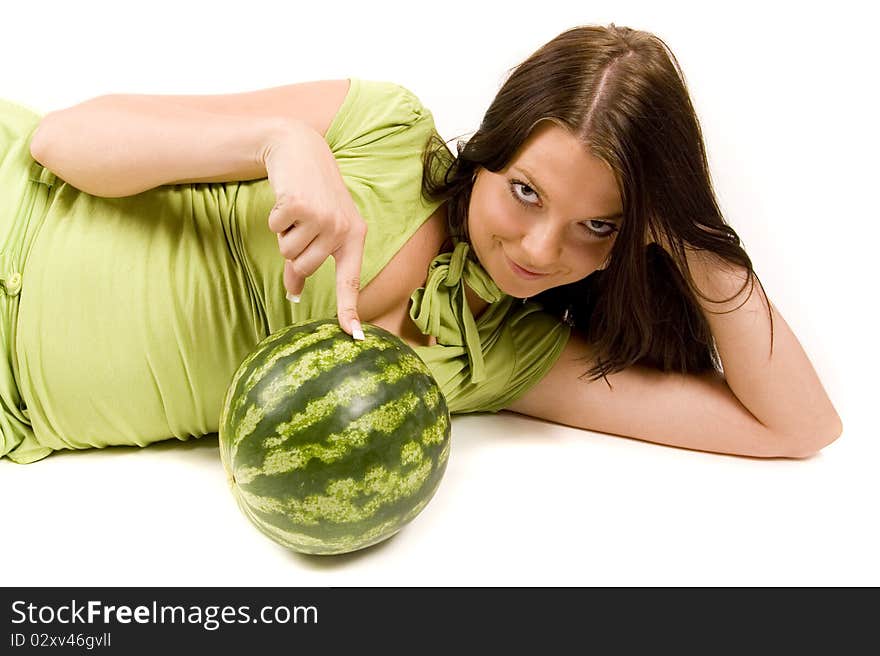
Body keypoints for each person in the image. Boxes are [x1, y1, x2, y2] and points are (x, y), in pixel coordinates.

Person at [0, 24, 841, 465]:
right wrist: (279, 141)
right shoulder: (383, 133)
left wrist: (700, 246)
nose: (543, 248)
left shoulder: (514, 355)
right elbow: (63, 141)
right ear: (490, 151)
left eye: (599, 225)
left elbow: (796, 429)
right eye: (525, 191)